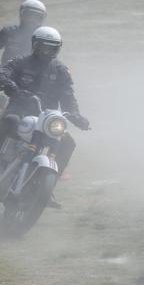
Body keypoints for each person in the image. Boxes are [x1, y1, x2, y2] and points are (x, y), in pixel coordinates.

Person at [0, 26, 90, 177]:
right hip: (19, 109)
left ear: (57, 49)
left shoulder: (61, 70)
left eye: (51, 48)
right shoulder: (21, 61)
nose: (46, 52)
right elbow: (2, 73)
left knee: (68, 142)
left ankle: (48, 185)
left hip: (48, 117)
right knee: (9, 120)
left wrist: (76, 116)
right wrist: (13, 89)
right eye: (43, 47)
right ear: (35, 44)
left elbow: (68, 96)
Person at [0, 0, 47, 65]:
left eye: (37, 17)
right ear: (21, 15)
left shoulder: (44, 37)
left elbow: (52, 58)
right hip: (7, 73)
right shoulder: (8, 32)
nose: (32, 20)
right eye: (29, 15)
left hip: (33, 73)